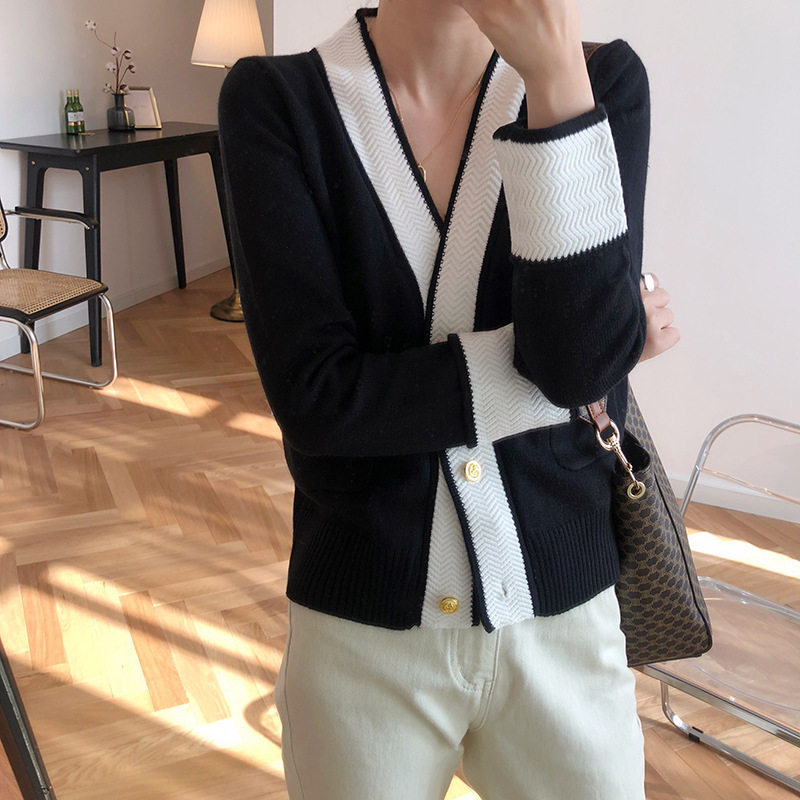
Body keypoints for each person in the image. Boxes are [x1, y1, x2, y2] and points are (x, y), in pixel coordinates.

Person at [219, 1, 679, 797]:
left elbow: (577, 368)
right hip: (360, 639)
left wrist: (553, 78)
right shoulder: (276, 100)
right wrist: (579, 360)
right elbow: (320, 400)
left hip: (565, 629)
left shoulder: (598, 81)